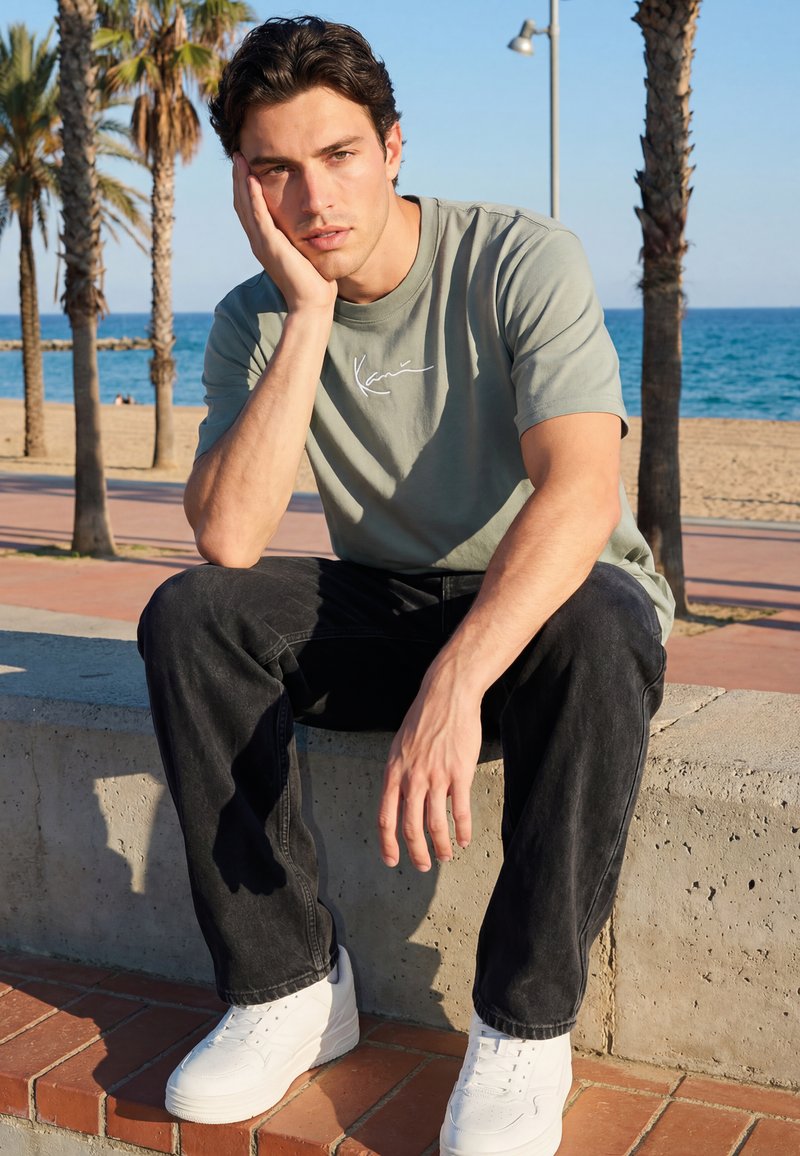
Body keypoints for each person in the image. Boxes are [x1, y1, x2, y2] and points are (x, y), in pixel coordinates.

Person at [138, 16, 673, 1155]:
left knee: (607, 612)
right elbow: (228, 537)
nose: (312, 196)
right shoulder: (255, 317)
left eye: (336, 156)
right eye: (275, 169)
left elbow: (579, 493)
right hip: (387, 604)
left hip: (542, 616)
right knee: (192, 615)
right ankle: (285, 990)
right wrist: (309, 311)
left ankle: (524, 1026)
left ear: (391, 146)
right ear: (245, 185)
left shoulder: (516, 258)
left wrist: (457, 679)